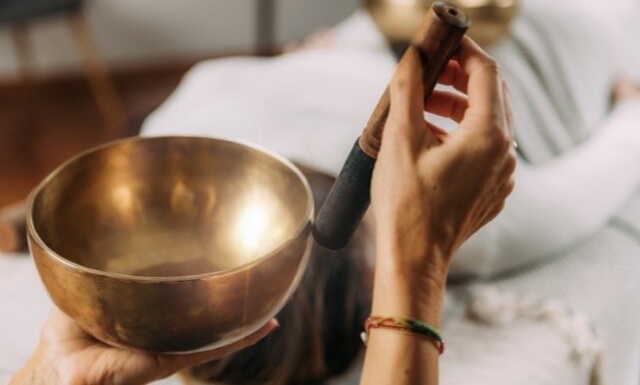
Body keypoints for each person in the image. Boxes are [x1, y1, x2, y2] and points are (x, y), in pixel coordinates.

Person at [10, 37, 515, 385]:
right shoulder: (456, 201)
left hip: (321, 55)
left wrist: (51, 373)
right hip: (391, 55)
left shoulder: (157, 164)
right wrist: (420, 262)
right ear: (370, 278)